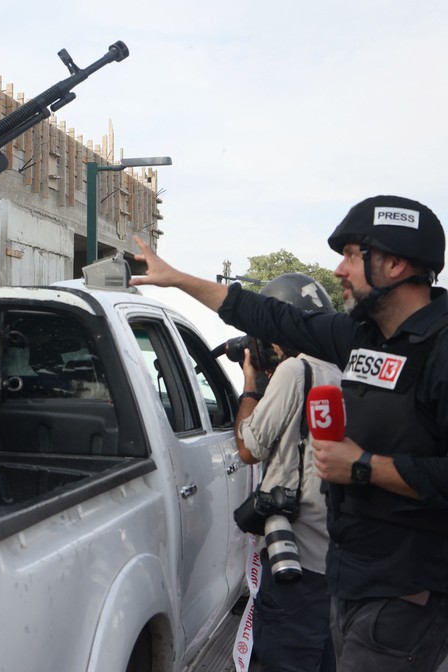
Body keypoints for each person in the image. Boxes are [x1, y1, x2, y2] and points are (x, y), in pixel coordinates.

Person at [128, 195, 448, 672]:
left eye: (353, 256)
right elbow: (271, 316)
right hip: (346, 581)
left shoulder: (440, 349)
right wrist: (177, 279)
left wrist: (363, 467)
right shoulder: (362, 338)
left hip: (404, 597)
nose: (339, 270)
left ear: (395, 264)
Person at [233, 273, 341, 672]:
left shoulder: (296, 372)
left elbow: (248, 448)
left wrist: (250, 386)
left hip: (295, 564)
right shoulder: (345, 368)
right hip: (339, 565)